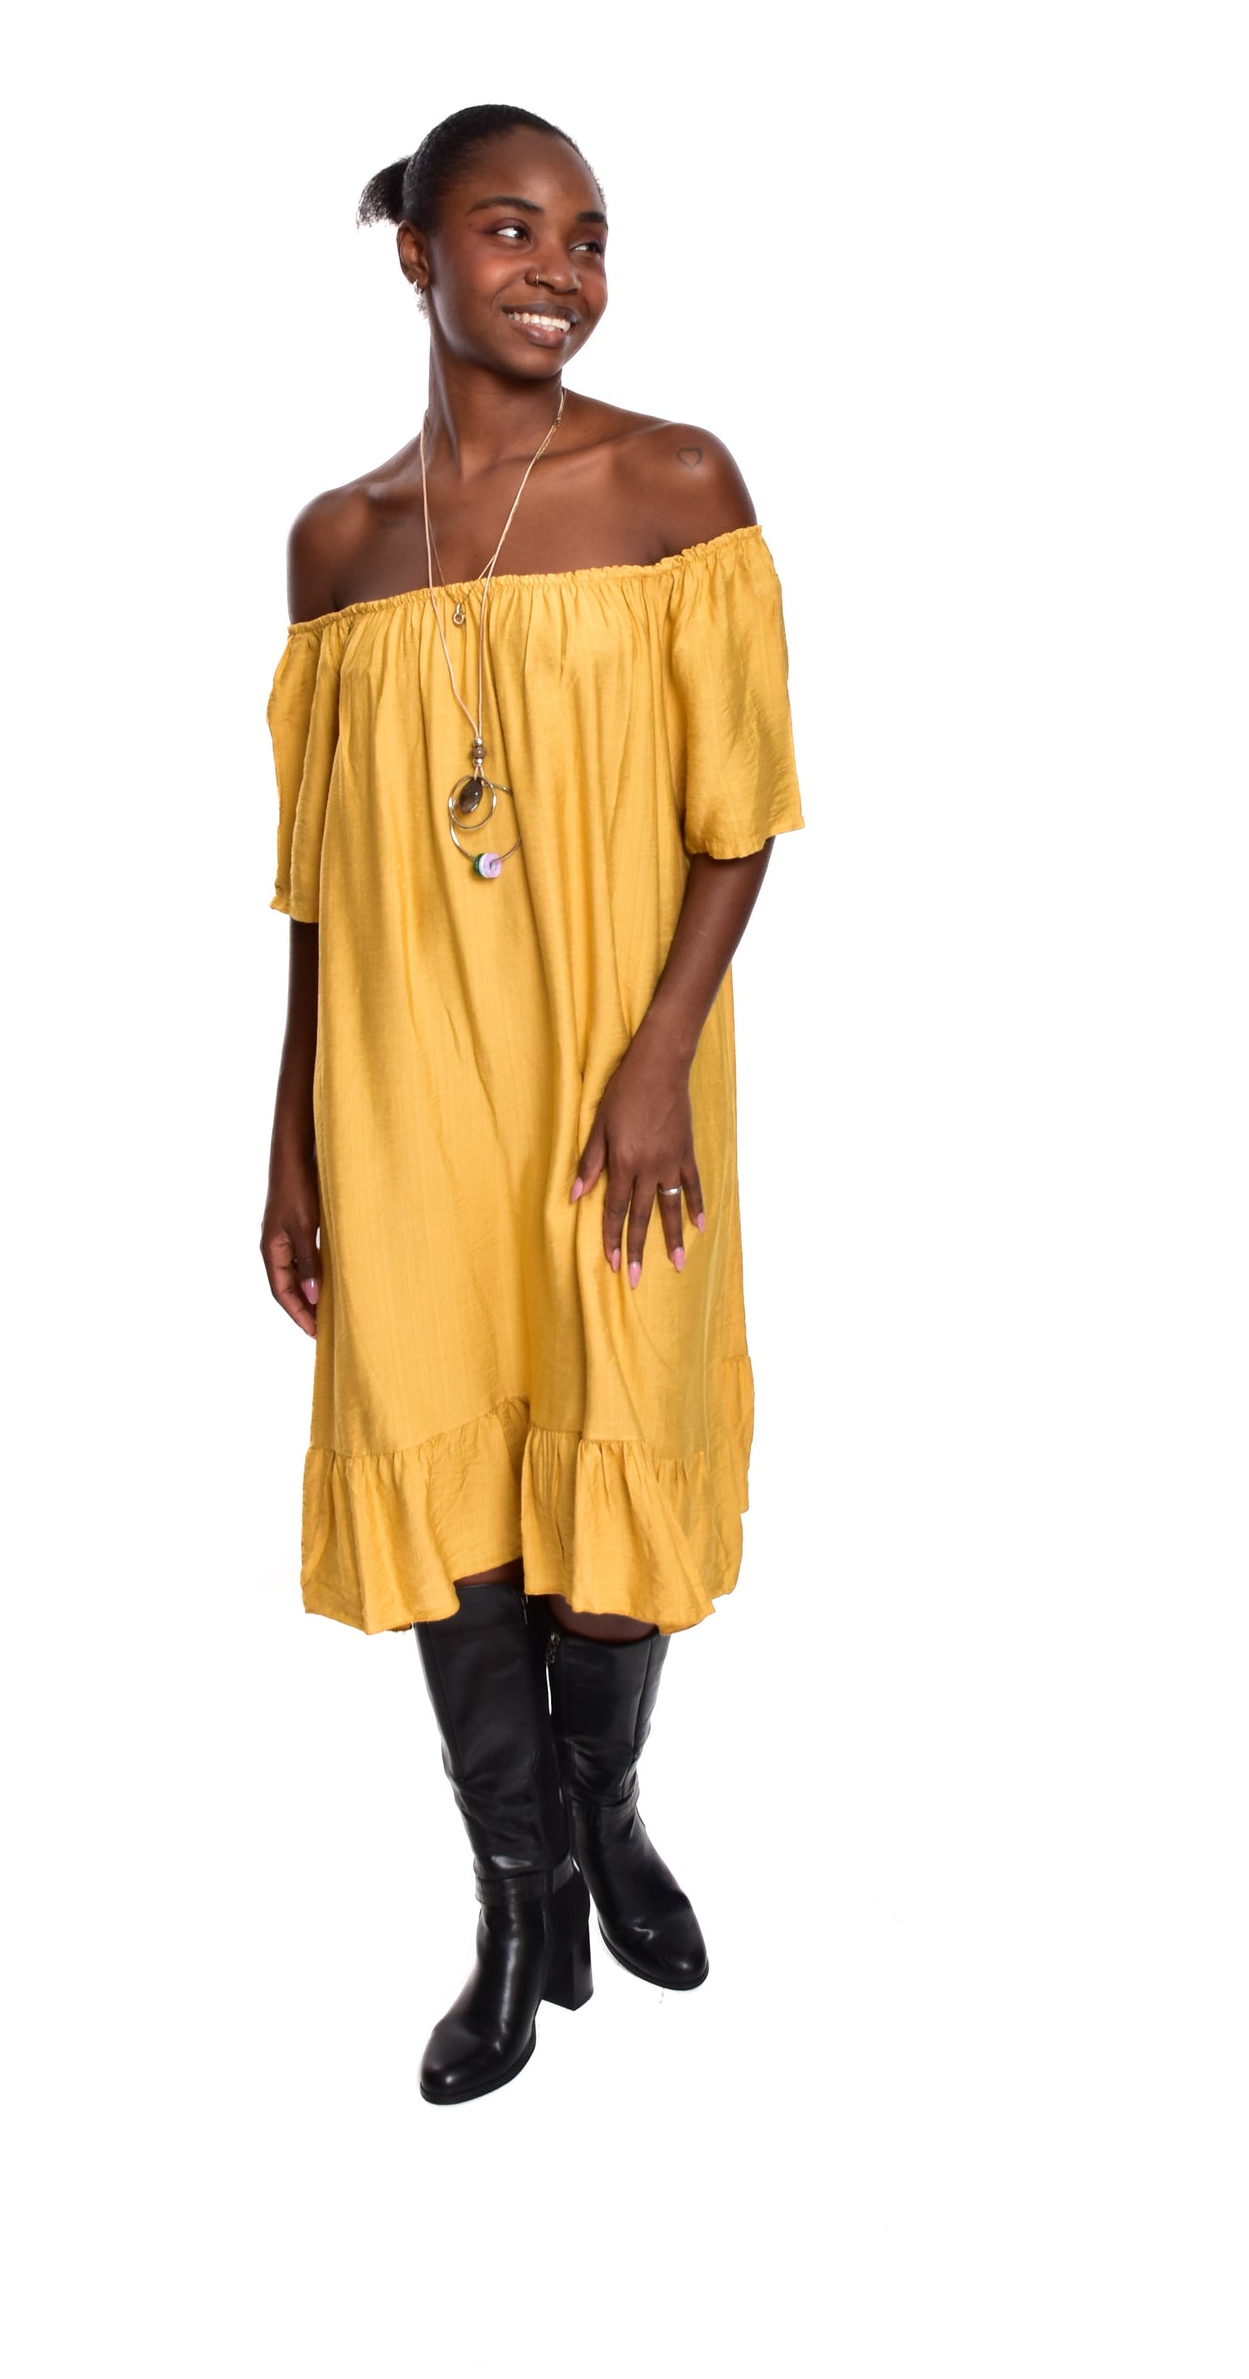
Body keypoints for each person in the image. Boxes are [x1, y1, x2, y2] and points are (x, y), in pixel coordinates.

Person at [261, 103, 803, 2104]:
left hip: (610, 1076)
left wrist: (657, 1062)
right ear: (416, 254)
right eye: (509, 229)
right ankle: (516, 1899)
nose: (559, 269)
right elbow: (320, 889)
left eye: (587, 236)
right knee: (452, 1470)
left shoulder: (672, 484)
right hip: (404, 1084)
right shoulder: (336, 543)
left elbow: (740, 815)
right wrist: (293, 1137)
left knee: (616, 1429)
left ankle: (607, 1808)